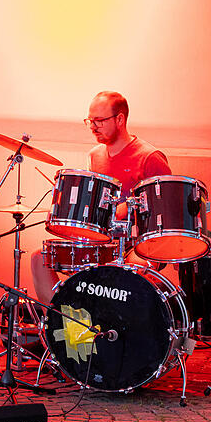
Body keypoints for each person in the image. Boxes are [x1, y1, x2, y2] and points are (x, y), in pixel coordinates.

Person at [31, 91, 171, 303]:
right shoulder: (94, 156)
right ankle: (64, 326)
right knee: (39, 259)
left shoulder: (149, 157)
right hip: (101, 243)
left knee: (119, 273)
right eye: (90, 121)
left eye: (100, 121)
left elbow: (165, 213)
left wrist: (123, 210)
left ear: (120, 119)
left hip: (138, 244)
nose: (93, 127)